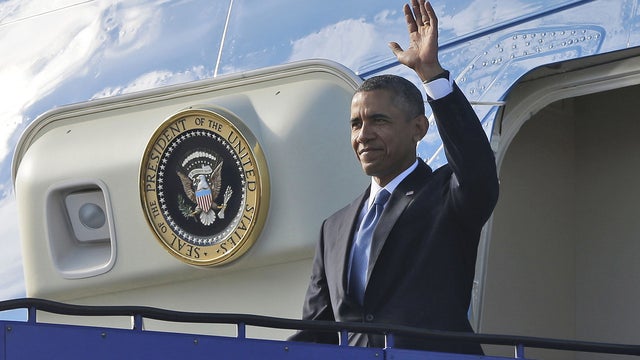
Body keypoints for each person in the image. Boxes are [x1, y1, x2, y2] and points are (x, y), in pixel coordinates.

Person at [289, 0, 499, 355]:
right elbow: (316, 333)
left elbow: (478, 169)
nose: (363, 135)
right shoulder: (334, 229)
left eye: (379, 121)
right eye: (356, 124)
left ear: (419, 128)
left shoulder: (447, 194)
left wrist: (431, 74)